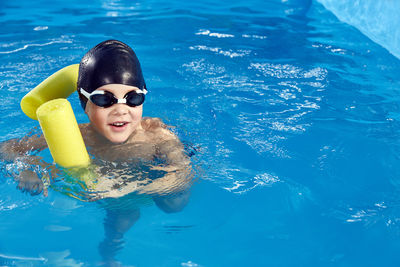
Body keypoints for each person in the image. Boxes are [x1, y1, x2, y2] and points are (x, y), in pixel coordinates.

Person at [0, 39, 192, 266]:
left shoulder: (158, 136)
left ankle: (111, 250)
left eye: (133, 98)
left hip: (142, 185)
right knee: (117, 218)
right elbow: (7, 148)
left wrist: (125, 187)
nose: (121, 110)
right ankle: (108, 255)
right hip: (102, 189)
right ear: (85, 104)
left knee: (166, 207)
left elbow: (181, 180)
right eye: (104, 99)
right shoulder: (79, 134)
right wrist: (29, 166)